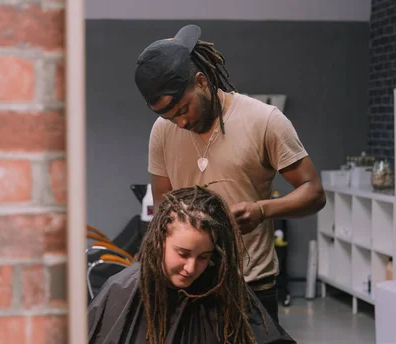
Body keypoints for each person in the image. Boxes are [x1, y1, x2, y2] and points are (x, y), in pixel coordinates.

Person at [133, 24, 326, 322]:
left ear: (201, 82)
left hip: (250, 287)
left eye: (183, 109)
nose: (180, 123)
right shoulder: (162, 131)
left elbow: (314, 192)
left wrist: (262, 210)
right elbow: (162, 206)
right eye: (169, 117)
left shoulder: (264, 121)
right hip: (188, 286)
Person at [88, 183, 297, 344]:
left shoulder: (224, 290)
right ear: (159, 240)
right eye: (183, 253)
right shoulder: (122, 290)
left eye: (203, 257)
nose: (191, 268)